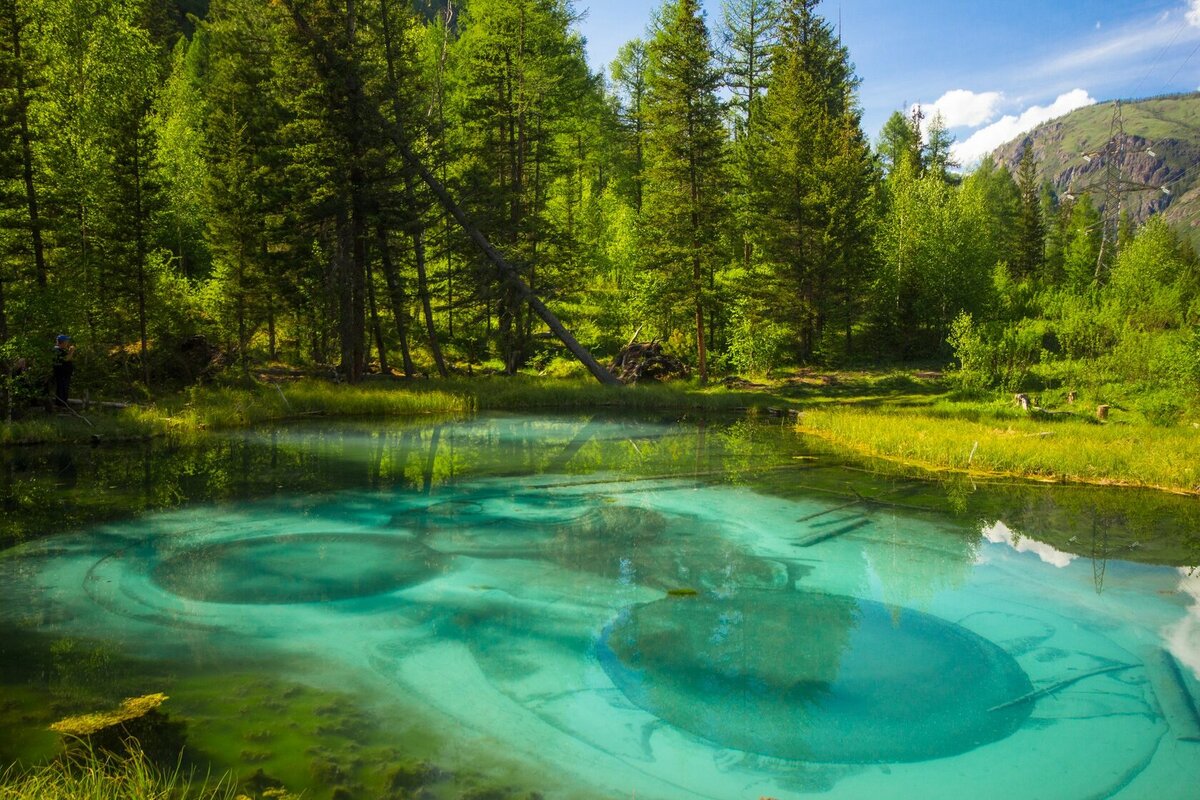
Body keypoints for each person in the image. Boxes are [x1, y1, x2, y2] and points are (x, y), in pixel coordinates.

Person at [52, 334, 75, 409]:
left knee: (64, 389)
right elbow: (66, 359)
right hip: (61, 374)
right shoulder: (57, 350)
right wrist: (71, 351)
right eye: (66, 341)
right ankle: (61, 405)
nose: (68, 343)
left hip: (65, 374)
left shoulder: (61, 350)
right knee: (62, 389)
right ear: (63, 342)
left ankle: (63, 405)